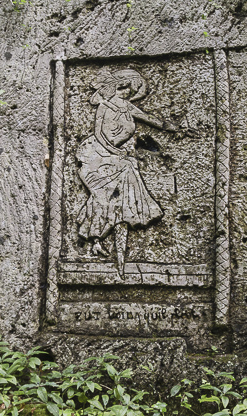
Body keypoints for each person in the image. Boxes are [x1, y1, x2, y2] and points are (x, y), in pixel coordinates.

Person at [76, 69, 171, 277]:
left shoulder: (128, 107)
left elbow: (149, 118)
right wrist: (115, 152)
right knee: (103, 196)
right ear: (117, 87)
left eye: (132, 88)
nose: (129, 91)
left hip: (120, 158)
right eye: (126, 87)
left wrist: (174, 128)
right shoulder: (104, 106)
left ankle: (98, 241)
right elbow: (100, 134)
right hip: (98, 155)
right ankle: (97, 239)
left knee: (118, 200)